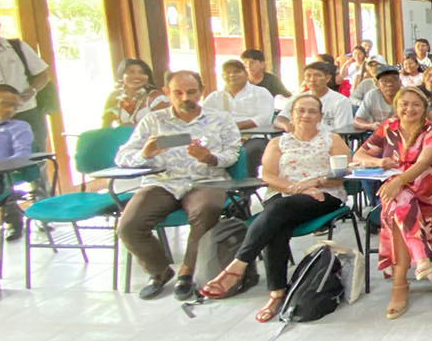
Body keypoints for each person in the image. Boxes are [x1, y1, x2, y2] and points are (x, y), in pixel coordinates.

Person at [198, 93, 350, 321]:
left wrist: (312, 185)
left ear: (320, 116)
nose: (306, 115)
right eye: (301, 110)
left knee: (274, 213)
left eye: (312, 111)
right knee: (276, 227)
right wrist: (295, 188)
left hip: (323, 196)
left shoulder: (333, 140)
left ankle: (241, 265)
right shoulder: (278, 142)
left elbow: (340, 176)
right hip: (284, 193)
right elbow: (268, 176)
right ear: (292, 114)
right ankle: (276, 292)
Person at [114, 71, 241, 301]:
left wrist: (208, 157)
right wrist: (145, 154)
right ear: (167, 93)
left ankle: (187, 272)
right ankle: (159, 271)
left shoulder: (220, 118)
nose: (185, 98)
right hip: (162, 181)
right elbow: (122, 156)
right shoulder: (154, 120)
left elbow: (232, 153)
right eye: (178, 93)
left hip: (205, 179)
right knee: (128, 226)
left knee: (206, 210)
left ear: (201, 92)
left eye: (191, 92)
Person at [353, 87, 432, 318]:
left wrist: (398, 180)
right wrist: (379, 162)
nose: (409, 109)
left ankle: (400, 286)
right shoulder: (389, 126)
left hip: (430, 187)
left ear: (425, 107)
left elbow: (423, 163)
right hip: (399, 190)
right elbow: (359, 155)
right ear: (396, 106)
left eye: (416, 104)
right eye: (404, 104)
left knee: (395, 202)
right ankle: (421, 261)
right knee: (398, 205)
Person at [0, 85, 34, 304]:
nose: (10, 110)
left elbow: (22, 158)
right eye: (4, 104)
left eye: (14, 105)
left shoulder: (17, 127)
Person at [0, 8, 50, 153]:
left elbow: (42, 74)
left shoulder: (16, 47)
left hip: (27, 113)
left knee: (35, 160)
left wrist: (33, 89)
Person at [203, 59, 275, 175]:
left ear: (246, 74)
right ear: (222, 76)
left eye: (236, 71)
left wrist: (233, 127)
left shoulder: (260, 93)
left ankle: (246, 187)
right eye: (227, 72)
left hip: (253, 137)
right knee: (206, 153)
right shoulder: (214, 97)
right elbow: (204, 119)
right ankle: (218, 184)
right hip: (222, 137)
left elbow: (263, 119)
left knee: (247, 153)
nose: (232, 75)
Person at [274, 62, 352, 132]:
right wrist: (288, 126)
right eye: (308, 76)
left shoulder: (341, 101)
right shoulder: (298, 99)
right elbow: (280, 118)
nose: (312, 79)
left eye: (317, 75)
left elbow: (342, 131)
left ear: (328, 78)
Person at [101, 58, 170, 127]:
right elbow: (105, 126)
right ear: (121, 76)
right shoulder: (114, 97)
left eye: (142, 73)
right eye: (131, 72)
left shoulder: (156, 97)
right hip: (124, 137)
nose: (137, 76)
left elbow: (166, 126)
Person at [354, 65, 401, 132]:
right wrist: (371, 126)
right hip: (378, 134)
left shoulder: (406, 95)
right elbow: (357, 121)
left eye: (394, 80)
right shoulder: (372, 96)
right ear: (377, 84)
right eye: (384, 81)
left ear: (400, 82)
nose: (389, 84)